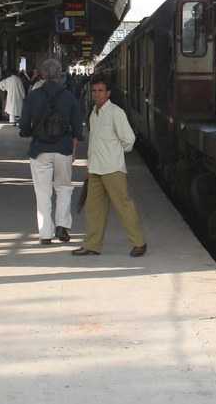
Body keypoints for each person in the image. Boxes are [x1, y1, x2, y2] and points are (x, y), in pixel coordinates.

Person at [72, 77, 146, 257]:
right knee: (93, 209)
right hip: (96, 169)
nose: (96, 94)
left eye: (100, 91)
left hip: (113, 169)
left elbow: (129, 140)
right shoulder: (93, 113)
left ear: (108, 93)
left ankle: (139, 243)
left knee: (123, 206)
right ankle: (92, 245)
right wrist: (89, 167)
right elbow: (93, 143)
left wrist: (114, 153)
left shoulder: (116, 112)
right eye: (94, 91)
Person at [18, 58, 83, 245]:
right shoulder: (69, 97)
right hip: (63, 149)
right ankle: (62, 225)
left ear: (43, 74)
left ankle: (46, 233)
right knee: (64, 188)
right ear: (60, 73)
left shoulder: (33, 96)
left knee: (42, 192)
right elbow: (78, 128)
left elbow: (24, 126)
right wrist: (73, 145)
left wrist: (31, 131)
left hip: (40, 150)